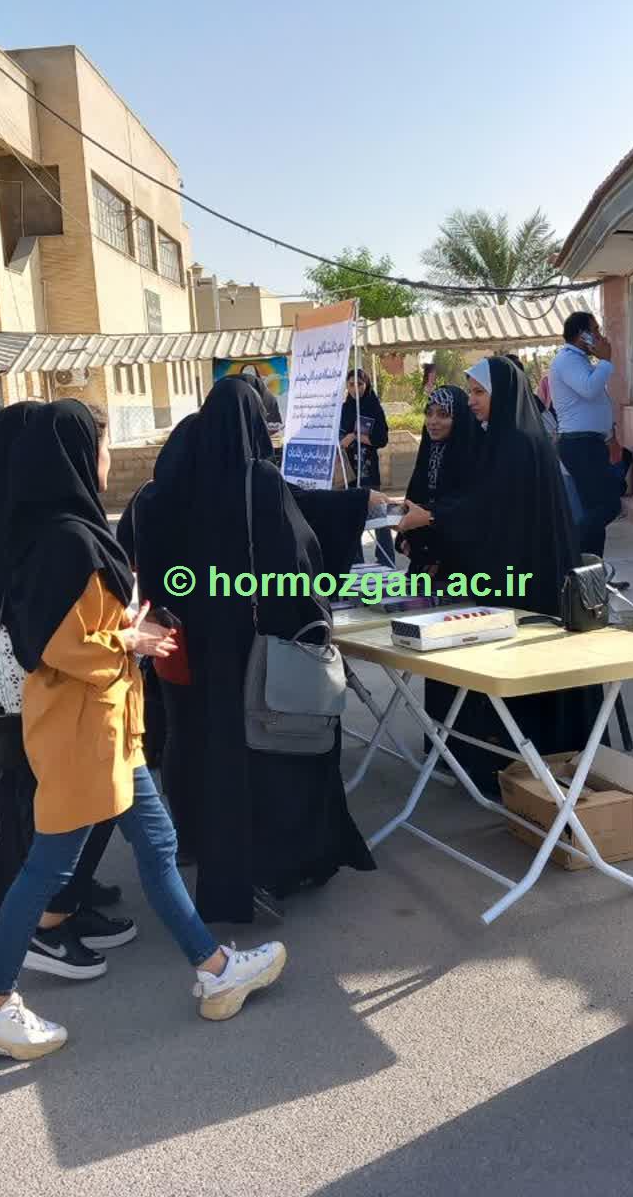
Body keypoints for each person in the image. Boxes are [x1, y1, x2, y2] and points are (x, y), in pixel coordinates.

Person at [0, 398, 286, 1060]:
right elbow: (56, 645)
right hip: (85, 730)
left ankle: (216, 970)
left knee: (156, 845)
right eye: (100, 446)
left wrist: (125, 631)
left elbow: (65, 630)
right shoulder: (68, 541)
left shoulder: (50, 531)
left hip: (103, 726)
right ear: (76, 456)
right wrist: (130, 640)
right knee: (45, 870)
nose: (107, 459)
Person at [138, 377, 376, 924]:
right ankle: (280, 867)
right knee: (271, 755)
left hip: (198, 652)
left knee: (214, 758)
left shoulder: (170, 487)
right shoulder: (259, 481)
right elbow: (298, 562)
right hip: (255, 652)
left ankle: (218, 865)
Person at [0, 400, 128, 976]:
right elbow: (52, 633)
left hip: (11, 683)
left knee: (36, 803)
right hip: (32, 685)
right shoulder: (32, 527)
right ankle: (38, 925)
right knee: (49, 806)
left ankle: (46, 906)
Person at [397, 356, 600, 792]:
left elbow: (487, 509)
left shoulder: (520, 445)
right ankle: (504, 766)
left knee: (525, 677)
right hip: (511, 573)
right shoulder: (504, 440)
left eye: (478, 392)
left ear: (503, 394)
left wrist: (432, 516)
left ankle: (527, 770)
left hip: (529, 581)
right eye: (470, 391)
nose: (471, 401)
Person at [548, 311, 622, 558]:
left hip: (590, 443)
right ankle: (570, 551)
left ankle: (592, 568)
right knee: (607, 505)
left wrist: (610, 436)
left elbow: (596, 402)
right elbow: (589, 389)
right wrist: (606, 361)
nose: (600, 337)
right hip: (579, 444)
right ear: (583, 335)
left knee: (596, 509)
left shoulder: (580, 360)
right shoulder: (567, 360)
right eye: (595, 331)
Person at [396, 385, 476, 573]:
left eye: (443, 414)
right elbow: (416, 496)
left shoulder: (473, 456)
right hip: (423, 560)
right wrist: (406, 536)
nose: (433, 421)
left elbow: (467, 510)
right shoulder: (429, 451)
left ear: (458, 418)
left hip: (459, 566)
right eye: (429, 413)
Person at [339, 368, 393, 563]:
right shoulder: (344, 409)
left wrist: (356, 436)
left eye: (360, 384)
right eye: (351, 384)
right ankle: (357, 562)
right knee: (352, 519)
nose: (356, 389)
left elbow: (382, 439)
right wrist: (345, 440)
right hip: (347, 472)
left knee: (378, 516)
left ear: (367, 384)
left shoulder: (373, 407)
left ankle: (386, 560)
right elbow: (338, 440)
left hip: (368, 470)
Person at [238, 364, 282, 429]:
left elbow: (276, 423)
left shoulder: (269, 400)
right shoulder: (235, 398)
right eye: (245, 376)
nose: (248, 379)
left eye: (252, 376)